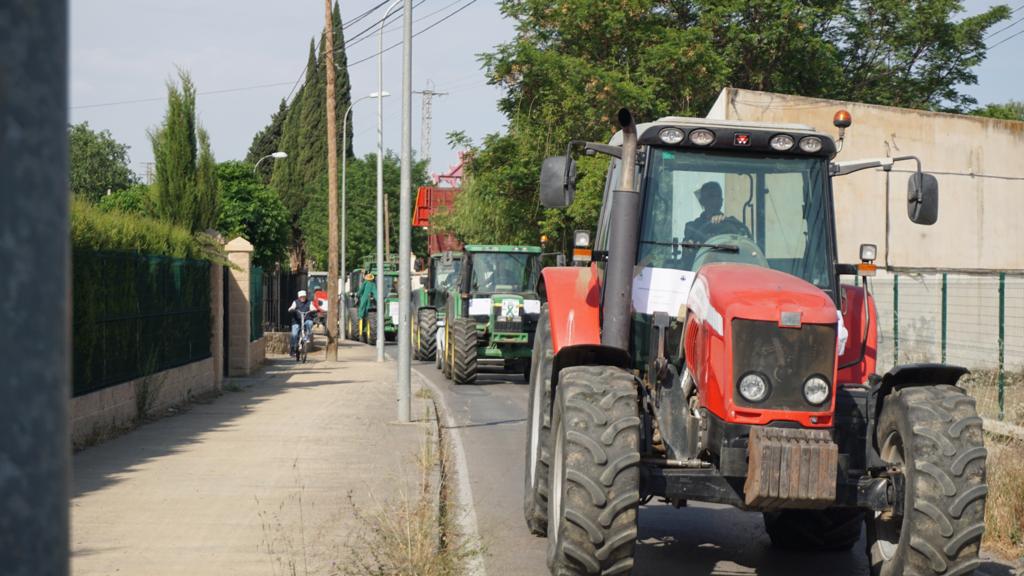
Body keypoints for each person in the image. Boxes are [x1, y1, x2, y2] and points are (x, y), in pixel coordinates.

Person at [683, 182, 749, 243]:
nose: (715, 200)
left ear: (721, 201)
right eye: (711, 196)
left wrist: (728, 226)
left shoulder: (734, 223)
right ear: (702, 201)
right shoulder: (692, 227)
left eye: (718, 196)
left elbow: (746, 241)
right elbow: (687, 250)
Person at [288, 290, 318, 354]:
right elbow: (291, 307)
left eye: (304, 297)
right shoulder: (295, 302)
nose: (302, 298)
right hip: (297, 321)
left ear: (306, 296)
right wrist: (291, 309)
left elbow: (313, 307)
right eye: (301, 297)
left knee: (310, 323)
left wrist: (313, 310)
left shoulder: (309, 302)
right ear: (299, 297)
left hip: (306, 319)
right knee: (294, 334)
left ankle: (307, 337)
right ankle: (293, 348)